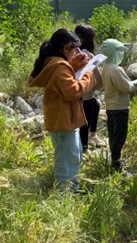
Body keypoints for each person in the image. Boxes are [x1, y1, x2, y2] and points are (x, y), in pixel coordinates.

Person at [28, 28, 96, 192]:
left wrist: (75, 65)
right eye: (76, 49)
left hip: (62, 118)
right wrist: (88, 75)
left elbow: (63, 81)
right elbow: (72, 92)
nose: (78, 52)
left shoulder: (54, 63)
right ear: (65, 48)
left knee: (73, 154)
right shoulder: (59, 67)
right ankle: (65, 193)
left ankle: (72, 187)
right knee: (67, 158)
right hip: (63, 120)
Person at [101, 38, 137, 174]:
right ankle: (117, 165)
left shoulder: (105, 68)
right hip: (120, 107)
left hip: (110, 106)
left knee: (113, 135)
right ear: (114, 53)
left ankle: (115, 161)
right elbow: (126, 88)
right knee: (120, 137)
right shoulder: (116, 69)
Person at [74, 24, 105, 152]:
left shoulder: (71, 53)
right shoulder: (88, 56)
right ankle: (84, 149)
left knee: (96, 105)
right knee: (84, 123)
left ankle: (92, 137)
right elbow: (98, 82)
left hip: (74, 93)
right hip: (84, 94)